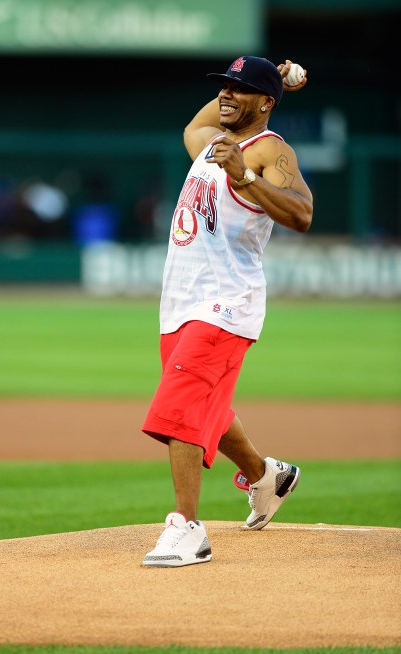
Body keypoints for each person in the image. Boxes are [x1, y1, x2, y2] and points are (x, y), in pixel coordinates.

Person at [141, 57, 313, 567]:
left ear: (265, 104)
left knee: (180, 407)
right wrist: (266, 81)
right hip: (181, 301)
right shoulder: (211, 143)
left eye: (240, 88)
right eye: (224, 86)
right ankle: (267, 476)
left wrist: (246, 178)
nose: (226, 94)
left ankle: (187, 528)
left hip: (226, 303)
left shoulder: (269, 150)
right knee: (207, 408)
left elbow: (302, 213)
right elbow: (193, 126)